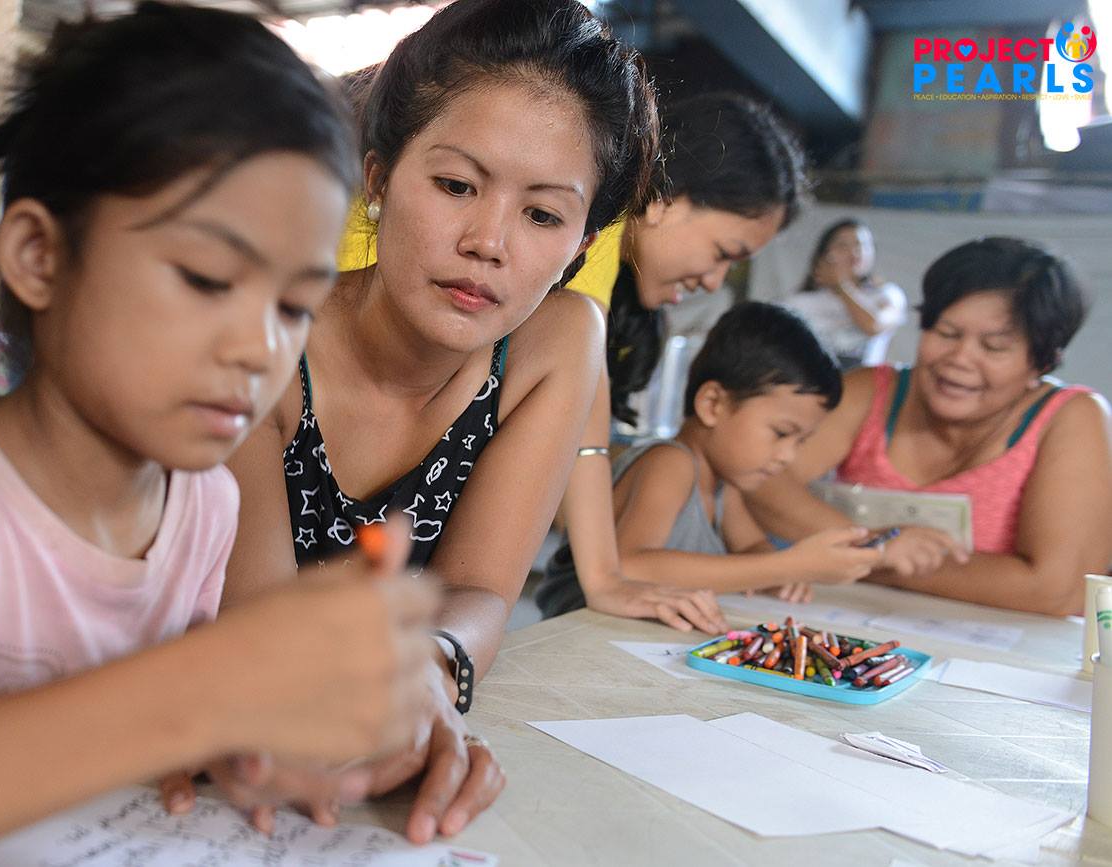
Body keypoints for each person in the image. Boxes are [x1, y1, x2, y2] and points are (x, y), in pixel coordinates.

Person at [0, 5, 439, 863]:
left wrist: (243, 745)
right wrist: (200, 694)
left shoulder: (204, 507)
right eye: (207, 278)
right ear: (39, 256)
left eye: (296, 305)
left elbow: (159, 748)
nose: (260, 347)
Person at [200, 0, 660, 843]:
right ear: (377, 177)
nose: (489, 241)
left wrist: (430, 671)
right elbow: (260, 635)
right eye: (455, 186)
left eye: (543, 215)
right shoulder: (269, 342)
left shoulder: (556, 344)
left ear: (582, 248)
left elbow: (479, 588)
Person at [542, 92, 811, 627]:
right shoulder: (593, 235)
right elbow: (588, 427)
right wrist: (605, 580)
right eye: (723, 254)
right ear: (666, 197)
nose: (713, 282)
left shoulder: (621, 299)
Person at [746, 237, 1112, 616]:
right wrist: (879, 548)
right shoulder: (871, 390)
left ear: (1042, 363)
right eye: (946, 333)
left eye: (993, 347)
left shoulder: (1070, 417)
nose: (960, 358)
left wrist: (866, 558)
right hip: (847, 622)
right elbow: (758, 478)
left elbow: (1059, 590)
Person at [536, 302, 881, 616]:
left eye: (801, 441)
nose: (788, 457)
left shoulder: (724, 484)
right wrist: (790, 565)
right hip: (574, 633)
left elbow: (752, 548)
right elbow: (631, 566)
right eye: (781, 433)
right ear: (712, 404)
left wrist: (778, 574)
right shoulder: (670, 464)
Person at [780, 218, 907, 370]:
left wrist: (841, 288)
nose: (854, 252)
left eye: (861, 245)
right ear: (824, 254)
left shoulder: (888, 295)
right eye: (843, 245)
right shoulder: (797, 303)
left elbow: (874, 326)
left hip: (863, 382)